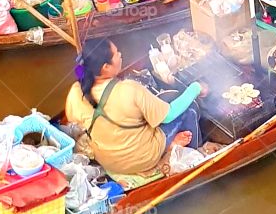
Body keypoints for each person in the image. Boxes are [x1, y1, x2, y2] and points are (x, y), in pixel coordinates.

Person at [65, 38, 204, 186]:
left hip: (109, 161)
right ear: (106, 67)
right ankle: (194, 153)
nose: (120, 54)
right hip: (142, 159)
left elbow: (75, 121)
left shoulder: (76, 91)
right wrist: (196, 88)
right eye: (116, 54)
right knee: (190, 109)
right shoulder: (129, 89)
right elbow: (169, 115)